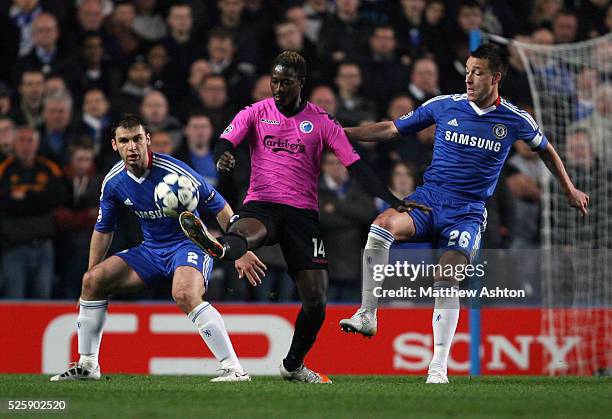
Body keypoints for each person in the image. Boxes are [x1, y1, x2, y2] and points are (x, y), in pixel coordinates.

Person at [338, 44, 589, 384]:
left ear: (496, 77)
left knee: (447, 274)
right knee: (381, 226)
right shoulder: (444, 106)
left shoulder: (514, 119)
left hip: (467, 213)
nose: (469, 78)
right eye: (467, 71)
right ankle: (368, 314)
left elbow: (546, 150)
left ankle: (438, 366)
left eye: (478, 72)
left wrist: (569, 189)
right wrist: (342, 134)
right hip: (428, 201)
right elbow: (392, 129)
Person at [179, 51, 424, 384]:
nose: (278, 88)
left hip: (302, 215)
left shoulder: (322, 121)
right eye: (274, 81)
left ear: (301, 83)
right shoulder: (256, 112)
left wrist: (393, 200)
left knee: (315, 301)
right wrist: (224, 154)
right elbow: (226, 139)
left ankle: (293, 364)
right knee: (244, 232)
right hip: (262, 203)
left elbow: (356, 167)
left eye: (286, 82)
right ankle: (221, 247)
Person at [50, 114, 265, 382]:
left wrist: (240, 249)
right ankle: (88, 365)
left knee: (184, 294)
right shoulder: (114, 182)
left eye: (137, 139)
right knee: (92, 281)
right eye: (125, 141)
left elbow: (220, 207)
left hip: (189, 245)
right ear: (114, 145)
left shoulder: (177, 173)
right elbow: (104, 229)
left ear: (147, 140)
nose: (132, 147)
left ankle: (234, 368)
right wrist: (89, 282)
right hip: (151, 251)